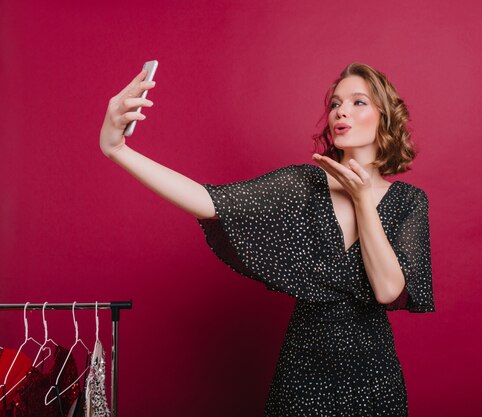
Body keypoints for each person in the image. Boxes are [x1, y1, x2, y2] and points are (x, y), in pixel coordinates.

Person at [99, 62, 435, 416]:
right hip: (302, 378)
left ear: (385, 117)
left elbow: (387, 290)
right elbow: (209, 202)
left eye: (358, 102)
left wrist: (364, 199)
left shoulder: (409, 202)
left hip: (374, 383)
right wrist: (118, 150)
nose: (341, 111)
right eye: (335, 103)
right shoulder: (304, 185)